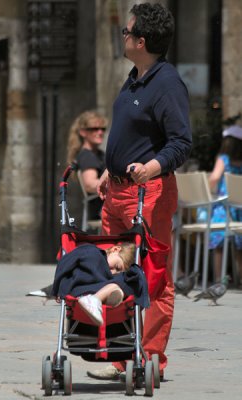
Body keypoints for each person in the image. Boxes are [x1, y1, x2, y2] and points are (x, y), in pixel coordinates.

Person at [86, 2, 192, 380]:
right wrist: (107, 171)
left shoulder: (166, 84)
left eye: (127, 32)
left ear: (141, 40)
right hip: (116, 193)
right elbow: (129, 134)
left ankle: (149, 361)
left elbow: (181, 142)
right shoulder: (134, 77)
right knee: (112, 270)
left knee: (153, 277)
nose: (123, 37)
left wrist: (150, 167)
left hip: (148, 194)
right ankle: (118, 357)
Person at [52, 242, 150, 326]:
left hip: (96, 289)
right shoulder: (92, 251)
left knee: (129, 277)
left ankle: (108, 296)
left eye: (117, 270)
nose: (113, 271)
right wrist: (57, 289)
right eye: (117, 266)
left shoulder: (112, 275)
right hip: (79, 288)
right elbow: (65, 263)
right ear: (115, 249)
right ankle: (97, 299)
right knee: (123, 281)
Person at [197, 125, 242, 283]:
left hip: (224, 209)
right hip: (239, 210)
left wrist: (207, 191)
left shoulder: (223, 159)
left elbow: (215, 177)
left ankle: (218, 278)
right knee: (239, 246)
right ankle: (240, 277)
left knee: (218, 244)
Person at [67, 110, 107, 220]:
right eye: (95, 129)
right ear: (83, 132)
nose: (100, 132)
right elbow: (89, 185)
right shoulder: (87, 156)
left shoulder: (98, 154)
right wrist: (117, 187)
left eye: (103, 129)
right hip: (101, 210)